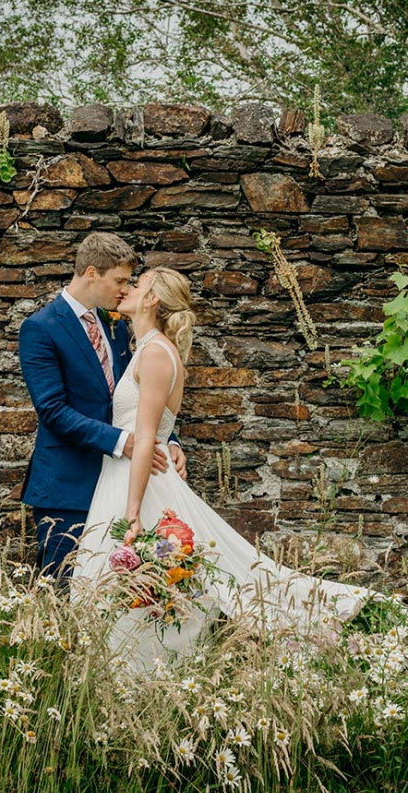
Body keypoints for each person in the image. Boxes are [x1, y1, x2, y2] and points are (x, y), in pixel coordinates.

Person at [67, 266, 377, 675]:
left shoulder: (157, 352)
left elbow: (145, 437)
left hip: (138, 483)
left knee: (151, 584)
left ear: (152, 299)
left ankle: (141, 675)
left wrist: (132, 513)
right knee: (127, 591)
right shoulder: (145, 348)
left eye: (136, 283)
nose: (127, 289)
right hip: (123, 475)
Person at [18, 233, 187, 591]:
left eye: (130, 283)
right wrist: (122, 441)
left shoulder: (114, 324)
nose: (125, 291)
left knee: (116, 593)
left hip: (120, 482)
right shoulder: (41, 328)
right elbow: (52, 410)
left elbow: (134, 396)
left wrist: (165, 437)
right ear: (92, 273)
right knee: (64, 591)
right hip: (68, 486)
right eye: (120, 281)